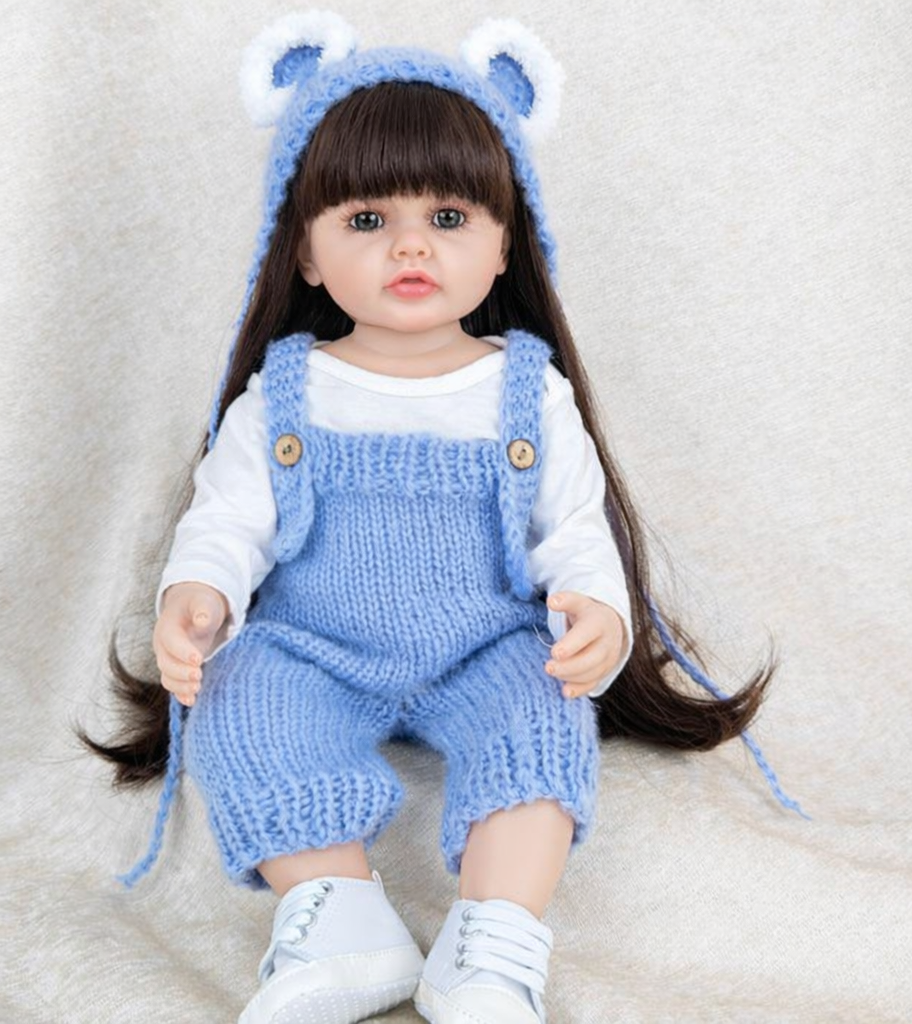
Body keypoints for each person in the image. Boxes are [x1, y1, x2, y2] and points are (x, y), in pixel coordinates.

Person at [77, 12, 808, 1024]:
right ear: (304, 253)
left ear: (506, 245)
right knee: (244, 703)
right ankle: (339, 918)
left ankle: (494, 938)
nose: (411, 245)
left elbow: (575, 527)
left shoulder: (527, 392)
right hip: (314, 647)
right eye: (365, 220)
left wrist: (596, 608)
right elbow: (226, 521)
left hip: (484, 644)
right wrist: (196, 596)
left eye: (451, 216)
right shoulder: (283, 394)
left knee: (541, 716)